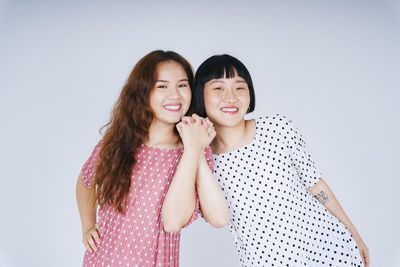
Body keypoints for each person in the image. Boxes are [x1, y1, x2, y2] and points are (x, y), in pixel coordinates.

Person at [192, 54, 370, 267]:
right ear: (200, 96)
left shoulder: (278, 128)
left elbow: (315, 184)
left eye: (240, 87)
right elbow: (217, 219)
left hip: (330, 251)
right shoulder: (199, 158)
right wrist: (198, 150)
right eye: (218, 88)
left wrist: (354, 235)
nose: (231, 97)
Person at [76, 50, 229, 266]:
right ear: (143, 92)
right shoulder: (119, 140)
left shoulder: (194, 150)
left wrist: (193, 148)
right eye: (162, 86)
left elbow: (175, 221)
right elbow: (86, 180)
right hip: (103, 259)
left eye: (182, 85)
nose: (175, 95)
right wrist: (88, 225)